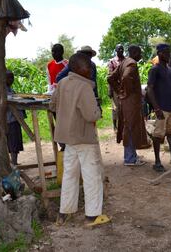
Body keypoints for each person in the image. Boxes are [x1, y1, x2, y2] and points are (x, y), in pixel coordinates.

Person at [50, 53, 106, 226]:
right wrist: (99, 112)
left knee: (70, 175)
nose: (91, 69)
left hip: (67, 138)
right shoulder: (84, 87)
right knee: (92, 175)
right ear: (79, 69)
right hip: (84, 138)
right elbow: (91, 115)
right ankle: (92, 216)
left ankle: (64, 213)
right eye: (88, 66)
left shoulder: (62, 83)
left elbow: (52, 105)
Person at [147, 44, 171, 172]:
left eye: (169, 52)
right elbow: (150, 89)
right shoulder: (155, 70)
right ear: (160, 54)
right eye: (167, 52)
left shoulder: (170, 69)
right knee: (158, 134)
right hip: (162, 107)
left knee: (170, 132)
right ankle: (157, 162)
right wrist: (156, 108)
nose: (169, 55)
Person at [108, 45, 149, 166]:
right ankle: (130, 158)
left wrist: (120, 91)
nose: (141, 56)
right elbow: (125, 77)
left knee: (129, 127)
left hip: (126, 101)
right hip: (131, 101)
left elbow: (111, 78)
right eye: (140, 53)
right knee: (130, 128)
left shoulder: (124, 62)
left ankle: (131, 155)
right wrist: (126, 91)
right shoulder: (132, 64)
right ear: (135, 52)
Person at [6, 70, 24, 166]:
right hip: (10, 120)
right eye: (9, 78)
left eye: (12, 77)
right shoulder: (3, 90)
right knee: (13, 142)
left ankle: (14, 162)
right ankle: (13, 163)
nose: (11, 80)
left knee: (15, 142)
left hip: (14, 119)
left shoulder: (10, 89)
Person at [108, 44, 125, 131]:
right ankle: (115, 126)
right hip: (116, 88)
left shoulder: (126, 60)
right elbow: (110, 77)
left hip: (125, 87)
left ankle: (123, 126)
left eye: (122, 49)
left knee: (124, 107)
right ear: (116, 50)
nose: (121, 51)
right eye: (119, 49)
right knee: (116, 108)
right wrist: (110, 91)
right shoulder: (112, 61)